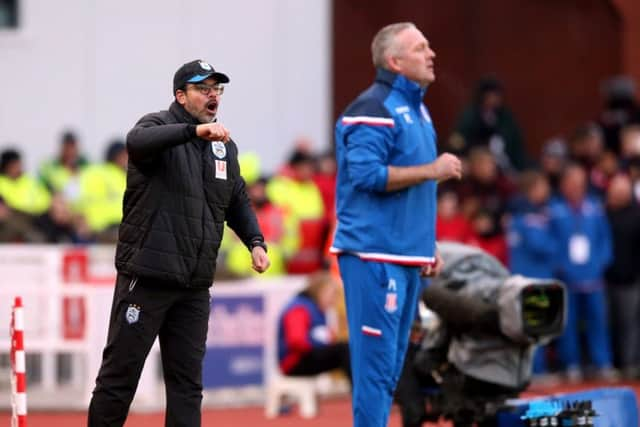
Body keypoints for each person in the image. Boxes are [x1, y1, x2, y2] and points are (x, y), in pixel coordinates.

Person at [87, 59, 270, 427]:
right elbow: (136, 143)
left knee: (187, 385)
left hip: (194, 285)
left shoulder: (224, 147)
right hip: (148, 277)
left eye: (217, 89)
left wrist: (254, 240)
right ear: (180, 95)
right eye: (204, 89)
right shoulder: (157, 125)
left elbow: (236, 199)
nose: (213, 95)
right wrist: (192, 133)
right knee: (120, 377)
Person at [331, 22, 462, 426]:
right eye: (420, 47)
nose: (431, 53)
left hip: (404, 254)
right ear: (395, 61)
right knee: (375, 370)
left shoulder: (418, 108)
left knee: (390, 370)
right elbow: (367, 176)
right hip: (373, 254)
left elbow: (411, 188)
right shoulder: (371, 109)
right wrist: (433, 169)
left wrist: (427, 242)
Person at [277, 271, 351, 380]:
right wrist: (319, 344)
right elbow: (296, 341)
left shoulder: (317, 310)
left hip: (305, 356)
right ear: (320, 290)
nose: (334, 300)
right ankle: (360, 392)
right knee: (344, 350)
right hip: (294, 362)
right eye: (332, 294)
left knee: (346, 349)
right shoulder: (300, 308)